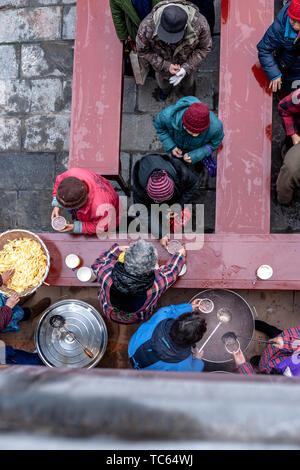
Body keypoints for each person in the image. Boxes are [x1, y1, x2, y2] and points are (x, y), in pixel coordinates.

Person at [91, 239, 186, 324]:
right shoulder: (157, 284)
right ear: (152, 266)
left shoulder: (105, 273)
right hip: (137, 316)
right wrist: (180, 254)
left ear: (125, 259)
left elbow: (97, 263)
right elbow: (172, 271)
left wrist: (117, 250)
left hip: (110, 311)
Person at [136, 0, 212, 100]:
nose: (170, 42)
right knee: (163, 84)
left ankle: (188, 94)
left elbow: (204, 48)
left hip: (187, 63)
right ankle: (165, 92)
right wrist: (164, 65)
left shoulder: (201, 24)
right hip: (161, 68)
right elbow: (142, 51)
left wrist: (186, 68)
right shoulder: (146, 26)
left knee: (188, 83)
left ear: (185, 26)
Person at [132, 153, 200, 247]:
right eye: (159, 201)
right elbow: (143, 211)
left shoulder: (181, 172)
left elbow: (194, 184)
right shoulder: (139, 190)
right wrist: (160, 233)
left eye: (169, 197)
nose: (165, 202)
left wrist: (179, 205)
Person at [128, 300, 207, 371]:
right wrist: (197, 360)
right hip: (147, 373)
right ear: (194, 340)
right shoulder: (183, 364)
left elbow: (170, 310)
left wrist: (189, 307)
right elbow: (191, 374)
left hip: (133, 349)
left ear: (177, 321)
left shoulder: (161, 316)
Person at [154, 96, 224, 167]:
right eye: (191, 131)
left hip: (196, 149)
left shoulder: (216, 127)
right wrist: (171, 146)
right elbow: (160, 129)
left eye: (200, 132)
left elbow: (215, 143)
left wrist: (196, 155)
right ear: (184, 123)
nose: (195, 135)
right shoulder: (166, 116)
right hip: (176, 146)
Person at [51, 168, 121, 236]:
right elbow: (59, 181)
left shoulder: (102, 208)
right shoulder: (72, 173)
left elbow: (100, 226)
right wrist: (57, 204)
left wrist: (76, 227)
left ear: (78, 205)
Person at [257, 0, 300, 97]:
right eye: (292, 20)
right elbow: (264, 49)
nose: (296, 26)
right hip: (287, 70)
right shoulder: (280, 28)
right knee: (286, 94)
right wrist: (274, 74)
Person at [232, 320, 300, 377]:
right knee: (273, 332)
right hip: (286, 344)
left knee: (264, 361)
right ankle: (259, 325)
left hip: (269, 367)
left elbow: (256, 386)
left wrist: (242, 365)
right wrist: (287, 343)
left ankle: (261, 360)